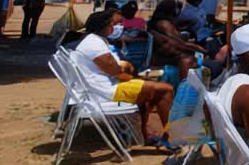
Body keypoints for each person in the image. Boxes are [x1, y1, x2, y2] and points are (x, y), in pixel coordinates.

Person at [73, 9, 175, 144]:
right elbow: (116, 72)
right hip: (106, 92)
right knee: (165, 89)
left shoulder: (93, 41)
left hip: (100, 89)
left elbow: (114, 69)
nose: (115, 27)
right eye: (113, 24)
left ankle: (145, 134)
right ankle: (171, 138)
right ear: (104, 26)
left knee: (151, 91)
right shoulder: (95, 45)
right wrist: (129, 72)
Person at [148, 0, 207, 81]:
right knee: (192, 60)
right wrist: (203, 51)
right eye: (178, 7)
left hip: (168, 55)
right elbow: (180, 45)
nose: (179, 10)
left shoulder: (164, 22)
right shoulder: (164, 24)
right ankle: (187, 86)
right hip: (166, 58)